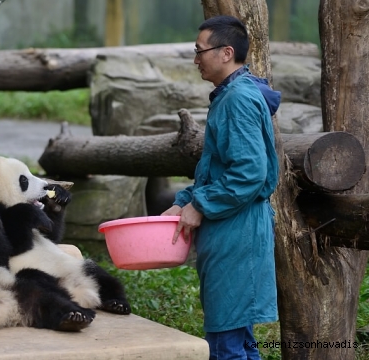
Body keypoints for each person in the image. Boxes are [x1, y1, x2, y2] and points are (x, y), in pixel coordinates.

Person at [161, 15, 280, 360]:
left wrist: (200, 206)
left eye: (200, 51)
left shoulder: (238, 99)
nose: (196, 59)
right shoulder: (231, 95)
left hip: (237, 229)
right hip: (233, 226)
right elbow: (216, 168)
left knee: (227, 343)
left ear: (226, 53)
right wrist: (184, 199)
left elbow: (248, 173)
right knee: (238, 337)